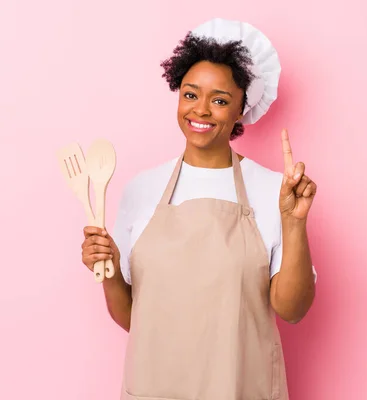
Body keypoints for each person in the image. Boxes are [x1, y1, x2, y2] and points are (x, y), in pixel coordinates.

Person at [79, 18, 317, 400]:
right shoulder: (141, 189)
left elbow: (292, 309)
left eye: (220, 100)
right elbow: (135, 320)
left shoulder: (273, 188)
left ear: (242, 108)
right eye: (190, 94)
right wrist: (106, 271)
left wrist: (293, 223)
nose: (201, 110)